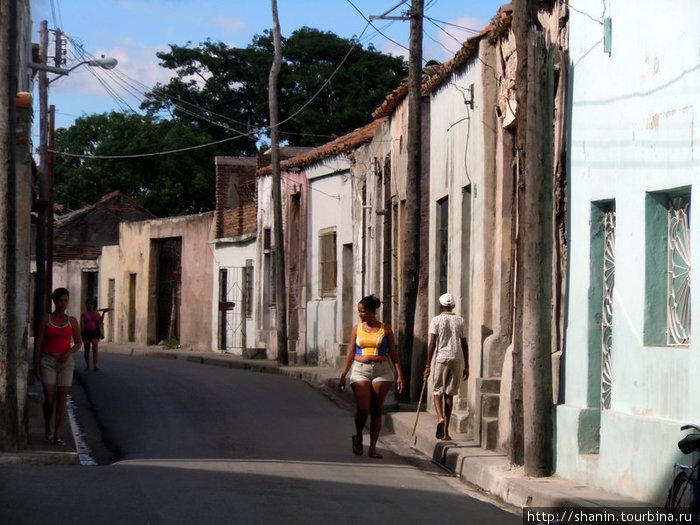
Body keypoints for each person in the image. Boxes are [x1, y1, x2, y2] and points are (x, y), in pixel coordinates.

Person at [339, 294, 405, 459]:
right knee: (363, 409)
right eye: (359, 312)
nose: (360, 315)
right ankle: (359, 435)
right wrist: (343, 374)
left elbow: (393, 353)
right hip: (360, 369)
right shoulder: (357, 329)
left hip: (382, 371)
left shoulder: (385, 329)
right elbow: (351, 353)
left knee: (376, 410)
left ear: (371, 311)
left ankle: (373, 447)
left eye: (363, 312)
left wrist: (400, 375)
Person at [33, 288, 82, 446]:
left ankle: (57, 435)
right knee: (49, 398)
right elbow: (39, 342)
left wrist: (68, 353)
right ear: (54, 301)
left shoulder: (72, 321)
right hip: (47, 361)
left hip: (65, 363)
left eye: (65, 301)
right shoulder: (46, 320)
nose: (63, 304)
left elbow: (78, 342)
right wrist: (36, 364)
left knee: (62, 399)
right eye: (60, 300)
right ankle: (48, 425)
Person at [423, 292, 468, 441]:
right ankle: (446, 432)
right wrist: (467, 365)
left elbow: (432, 344)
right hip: (456, 358)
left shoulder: (436, 320)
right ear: (453, 306)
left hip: (441, 358)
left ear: (441, 305)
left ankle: (440, 418)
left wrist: (428, 365)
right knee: (450, 393)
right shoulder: (460, 321)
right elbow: (464, 343)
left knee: (437, 390)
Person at [81, 298, 106, 371]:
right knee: (87, 349)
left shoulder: (97, 314)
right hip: (86, 332)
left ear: (94, 305)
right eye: (89, 304)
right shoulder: (84, 314)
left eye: (92, 304)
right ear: (86, 305)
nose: (90, 306)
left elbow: (100, 321)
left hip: (95, 332)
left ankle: (95, 365)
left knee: (95, 347)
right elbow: (82, 323)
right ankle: (87, 365)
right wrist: (81, 331)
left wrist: (104, 313)